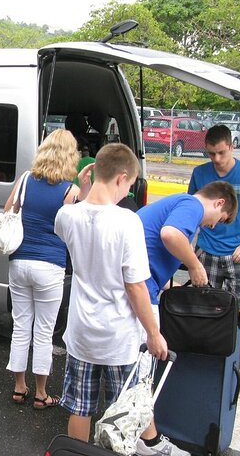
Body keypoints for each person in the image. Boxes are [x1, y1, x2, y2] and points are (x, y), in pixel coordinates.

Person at [54, 143, 188, 456]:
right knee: (124, 413)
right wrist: (154, 333)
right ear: (121, 177)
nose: (126, 191)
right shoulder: (128, 222)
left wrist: (83, 189)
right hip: (120, 337)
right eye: (128, 185)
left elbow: (76, 210)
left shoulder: (67, 216)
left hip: (82, 333)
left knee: (80, 408)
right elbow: (136, 287)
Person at [4, 128, 89, 410]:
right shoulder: (70, 190)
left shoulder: (25, 180)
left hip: (19, 260)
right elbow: (81, 224)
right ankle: (41, 393)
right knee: (43, 331)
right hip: (50, 266)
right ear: (70, 156)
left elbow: (8, 212)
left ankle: (19, 387)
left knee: (20, 325)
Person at [188, 124, 240, 385]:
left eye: (222, 153)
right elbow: (190, 210)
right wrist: (190, 246)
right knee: (207, 304)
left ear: (232, 146)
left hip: (239, 253)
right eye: (211, 154)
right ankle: (207, 356)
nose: (217, 160)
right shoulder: (200, 173)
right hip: (208, 250)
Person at [138, 181, 239, 306]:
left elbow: (152, 258)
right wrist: (195, 266)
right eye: (220, 219)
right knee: (152, 326)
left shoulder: (180, 202)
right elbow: (170, 234)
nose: (213, 226)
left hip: (138, 280)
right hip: (140, 285)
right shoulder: (193, 205)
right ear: (219, 203)